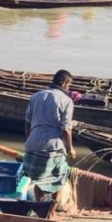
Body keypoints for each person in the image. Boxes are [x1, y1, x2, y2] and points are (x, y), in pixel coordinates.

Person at [23, 69, 76, 208]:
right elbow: (66, 129)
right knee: (59, 180)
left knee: (39, 181)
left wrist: (29, 141)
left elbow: (27, 121)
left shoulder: (35, 96)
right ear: (63, 83)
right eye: (69, 85)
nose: (68, 88)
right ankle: (51, 211)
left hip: (32, 145)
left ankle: (39, 210)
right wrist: (70, 148)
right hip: (52, 146)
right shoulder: (67, 101)